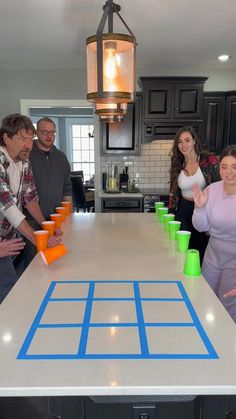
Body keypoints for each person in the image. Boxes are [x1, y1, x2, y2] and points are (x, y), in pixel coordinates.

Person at [0, 113, 60, 303]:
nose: (28, 145)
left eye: (30, 139)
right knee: (9, 291)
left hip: (6, 241)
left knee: (11, 287)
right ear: (6, 138)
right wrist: (37, 239)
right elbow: (8, 207)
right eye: (22, 139)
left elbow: (30, 198)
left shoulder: (24, 163)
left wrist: (46, 227)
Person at [192, 145, 236, 322]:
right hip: (212, 255)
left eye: (234, 167)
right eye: (224, 167)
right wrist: (200, 207)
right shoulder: (211, 190)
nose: (229, 172)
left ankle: (229, 347)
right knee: (205, 298)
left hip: (234, 260)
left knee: (228, 305)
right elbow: (201, 227)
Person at [23, 117, 72, 267]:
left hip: (55, 220)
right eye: (44, 132)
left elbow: (67, 187)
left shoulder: (61, 157)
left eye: (52, 133)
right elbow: (25, 194)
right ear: (37, 133)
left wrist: (68, 217)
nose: (49, 136)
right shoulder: (26, 156)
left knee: (56, 263)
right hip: (31, 221)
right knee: (33, 265)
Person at [168, 126, 219, 263]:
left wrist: (214, 220)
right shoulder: (178, 162)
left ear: (194, 141)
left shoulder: (209, 161)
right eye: (179, 142)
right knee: (182, 251)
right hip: (183, 211)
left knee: (201, 252)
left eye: (187, 140)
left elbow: (218, 190)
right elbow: (173, 191)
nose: (183, 145)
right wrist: (171, 214)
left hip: (203, 211)